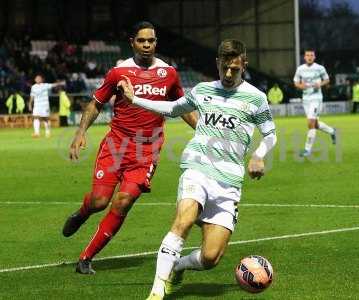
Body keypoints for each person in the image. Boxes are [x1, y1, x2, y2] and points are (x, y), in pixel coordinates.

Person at [118, 39, 277, 300]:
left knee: (211, 257)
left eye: (234, 69)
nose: (228, 74)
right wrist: (135, 99)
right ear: (217, 63)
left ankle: (178, 266)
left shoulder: (257, 98)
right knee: (183, 221)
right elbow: (173, 108)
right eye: (224, 67)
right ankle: (156, 293)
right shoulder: (203, 90)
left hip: (229, 182)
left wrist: (259, 155)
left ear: (244, 65)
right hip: (197, 168)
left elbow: (270, 134)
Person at [61, 21, 197, 275]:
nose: (147, 45)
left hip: (146, 152)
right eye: (142, 41)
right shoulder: (118, 72)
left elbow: (181, 107)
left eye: (151, 41)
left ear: (156, 43)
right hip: (116, 146)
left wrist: (202, 130)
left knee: (122, 202)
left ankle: (86, 258)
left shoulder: (169, 73)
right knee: (100, 201)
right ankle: (83, 212)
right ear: (132, 42)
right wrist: (80, 133)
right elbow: (95, 104)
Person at [293, 49, 336, 157]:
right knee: (315, 124)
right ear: (304, 57)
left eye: (311, 55)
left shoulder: (319, 68)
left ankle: (307, 150)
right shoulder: (300, 69)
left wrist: (320, 84)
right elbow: (296, 82)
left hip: (316, 98)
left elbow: (326, 80)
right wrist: (300, 86)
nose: (309, 57)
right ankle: (332, 131)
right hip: (306, 99)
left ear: (314, 57)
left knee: (310, 123)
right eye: (307, 55)